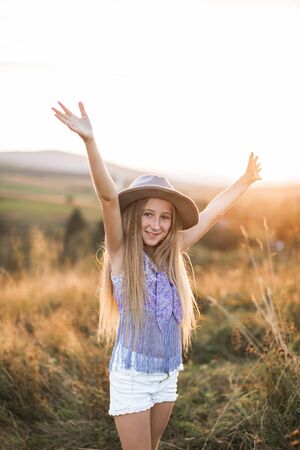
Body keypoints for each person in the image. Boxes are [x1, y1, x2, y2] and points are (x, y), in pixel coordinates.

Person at [52, 101, 262, 450]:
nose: (156, 224)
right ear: (135, 216)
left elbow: (210, 214)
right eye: (148, 215)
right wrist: (90, 142)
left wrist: (245, 180)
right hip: (132, 378)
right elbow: (107, 198)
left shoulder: (171, 252)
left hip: (167, 375)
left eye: (164, 217)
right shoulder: (121, 253)